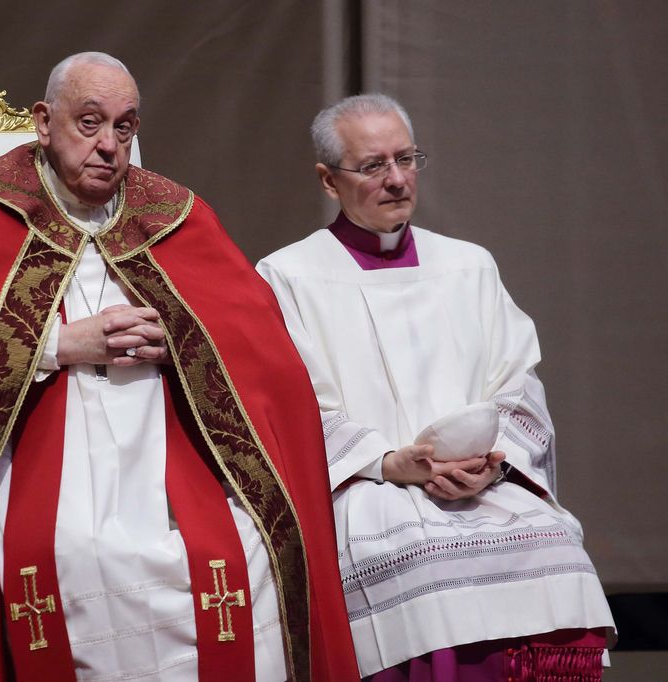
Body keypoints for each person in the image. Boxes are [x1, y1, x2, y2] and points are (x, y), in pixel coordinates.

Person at [0, 52, 359, 681]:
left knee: (234, 549)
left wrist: (183, 344)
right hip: (37, 430)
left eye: (124, 128)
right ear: (44, 122)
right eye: (89, 123)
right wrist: (61, 345)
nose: (109, 146)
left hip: (169, 434)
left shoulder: (172, 210)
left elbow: (261, 348)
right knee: (78, 554)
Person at [256, 94, 616, 680]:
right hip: (366, 483)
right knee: (418, 571)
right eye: (373, 165)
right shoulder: (287, 276)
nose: (396, 179)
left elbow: (518, 386)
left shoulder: (469, 265)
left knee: (554, 547)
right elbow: (292, 409)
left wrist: (494, 463)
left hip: (481, 478)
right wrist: (392, 463)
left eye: (407, 158)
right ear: (328, 180)